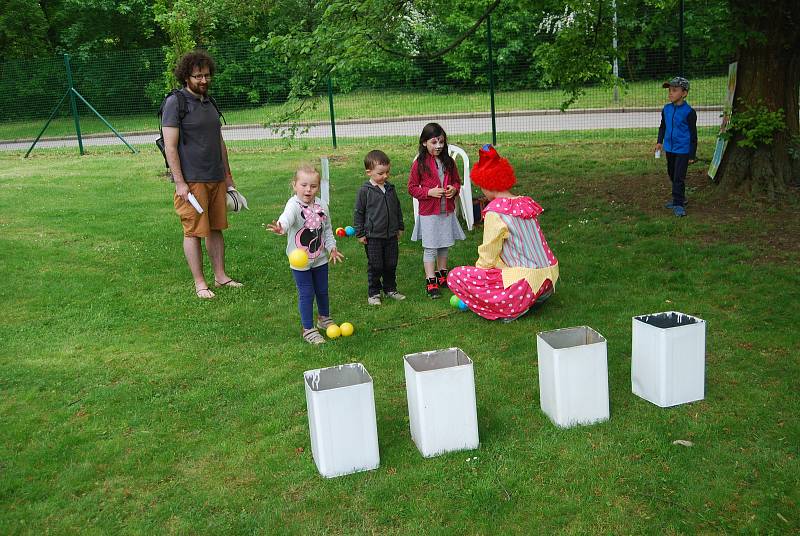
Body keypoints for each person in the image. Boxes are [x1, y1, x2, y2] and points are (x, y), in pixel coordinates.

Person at [161, 49, 241, 299]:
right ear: (187, 77)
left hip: (216, 178)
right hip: (191, 182)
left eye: (207, 75)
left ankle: (221, 277)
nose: (204, 80)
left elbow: (219, 141)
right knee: (194, 231)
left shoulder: (209, 102)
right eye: (198, 76)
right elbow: (170, 146)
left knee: (216, 228)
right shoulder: (176, 103)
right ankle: (200, 283)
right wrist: (179, 182)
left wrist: (227, 176)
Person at [447, 145, 559, 322]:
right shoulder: (524, 202)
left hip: (524, 285)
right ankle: (534, 299)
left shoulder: (495, 211)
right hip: (548, 280)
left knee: (456, 276)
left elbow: (488, 253)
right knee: (501, 267)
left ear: (488, 184)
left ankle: (512, 307)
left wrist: (479, 277)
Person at [267, 164, 344, 345]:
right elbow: (286, 217)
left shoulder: (322, 205)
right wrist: (281, 227)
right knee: (307, 293)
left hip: (320, 258)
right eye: (303, 185)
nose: (308, 190)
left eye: (313, 186)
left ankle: (324, 318)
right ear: (294, 185)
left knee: (322, 291)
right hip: (300, 261)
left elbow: (327, 229)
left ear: (318, 187)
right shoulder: (293, 205)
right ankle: (308, 328)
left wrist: (332, 247)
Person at [407, 123, 466, 299]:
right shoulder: (420, 164)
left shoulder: (449, 161)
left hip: (446, 211)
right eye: (434, 142)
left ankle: (442, 275)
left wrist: (454, 189)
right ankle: (430, 280)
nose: (438, 145)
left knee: (444, 245)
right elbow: (411, 188)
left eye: (441, 141)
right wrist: (428, 192)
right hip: (429, 213)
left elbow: (457, 181)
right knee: (431, 247)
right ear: (425, 143)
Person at [353, 150, 406, 305]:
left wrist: (400, 226)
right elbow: (359, 213)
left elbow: (397, 208)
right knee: (376, 265)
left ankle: (390, 289)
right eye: (381, 173)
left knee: (391, 263)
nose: (385, 176)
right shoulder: (365, 191)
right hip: (373, 236)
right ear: (369, 172)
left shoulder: (390, 188)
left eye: (387, 172)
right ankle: (374, 292)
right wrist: (360, 233)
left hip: (391, 235)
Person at [655, 76, 698, 218]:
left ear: (684, 93)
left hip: (683, 150)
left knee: (679, 177)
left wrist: (692, 154)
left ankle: (678, 204)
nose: (670, 93)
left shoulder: (689, 112)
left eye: (674, 90)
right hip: (670, 148)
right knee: (672, 174)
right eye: (669, 91)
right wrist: (659, 142)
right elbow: (663, 127)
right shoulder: (666, 109)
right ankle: (680, 198)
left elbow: (693, 135)